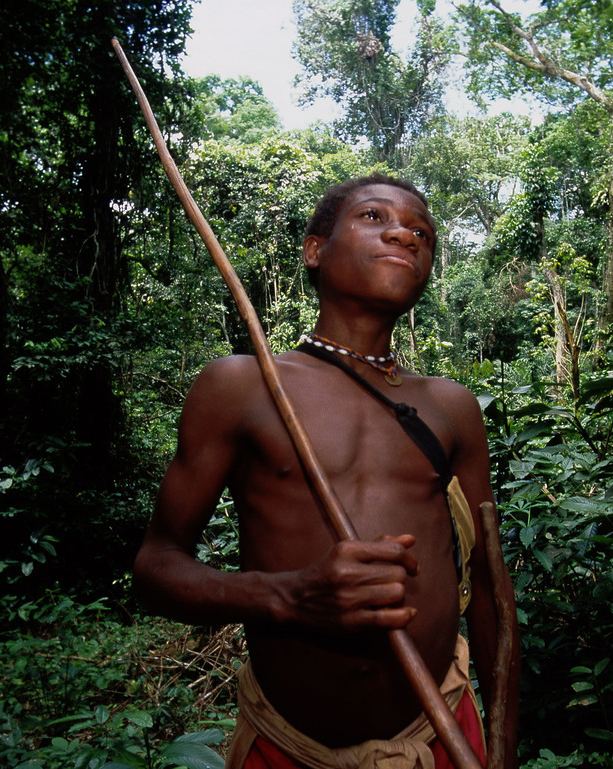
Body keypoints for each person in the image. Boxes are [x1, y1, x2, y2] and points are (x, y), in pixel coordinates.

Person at [133, 174, 519, 769]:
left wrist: (501, 743)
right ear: (315, 249)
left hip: (441, 735)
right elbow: (155, 570)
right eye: (373, 216)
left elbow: (489, 589)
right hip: (289, 747)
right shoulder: (243, 387)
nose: (404, 234)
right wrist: (287, 595)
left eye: (422, 233)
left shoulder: (452, 408)